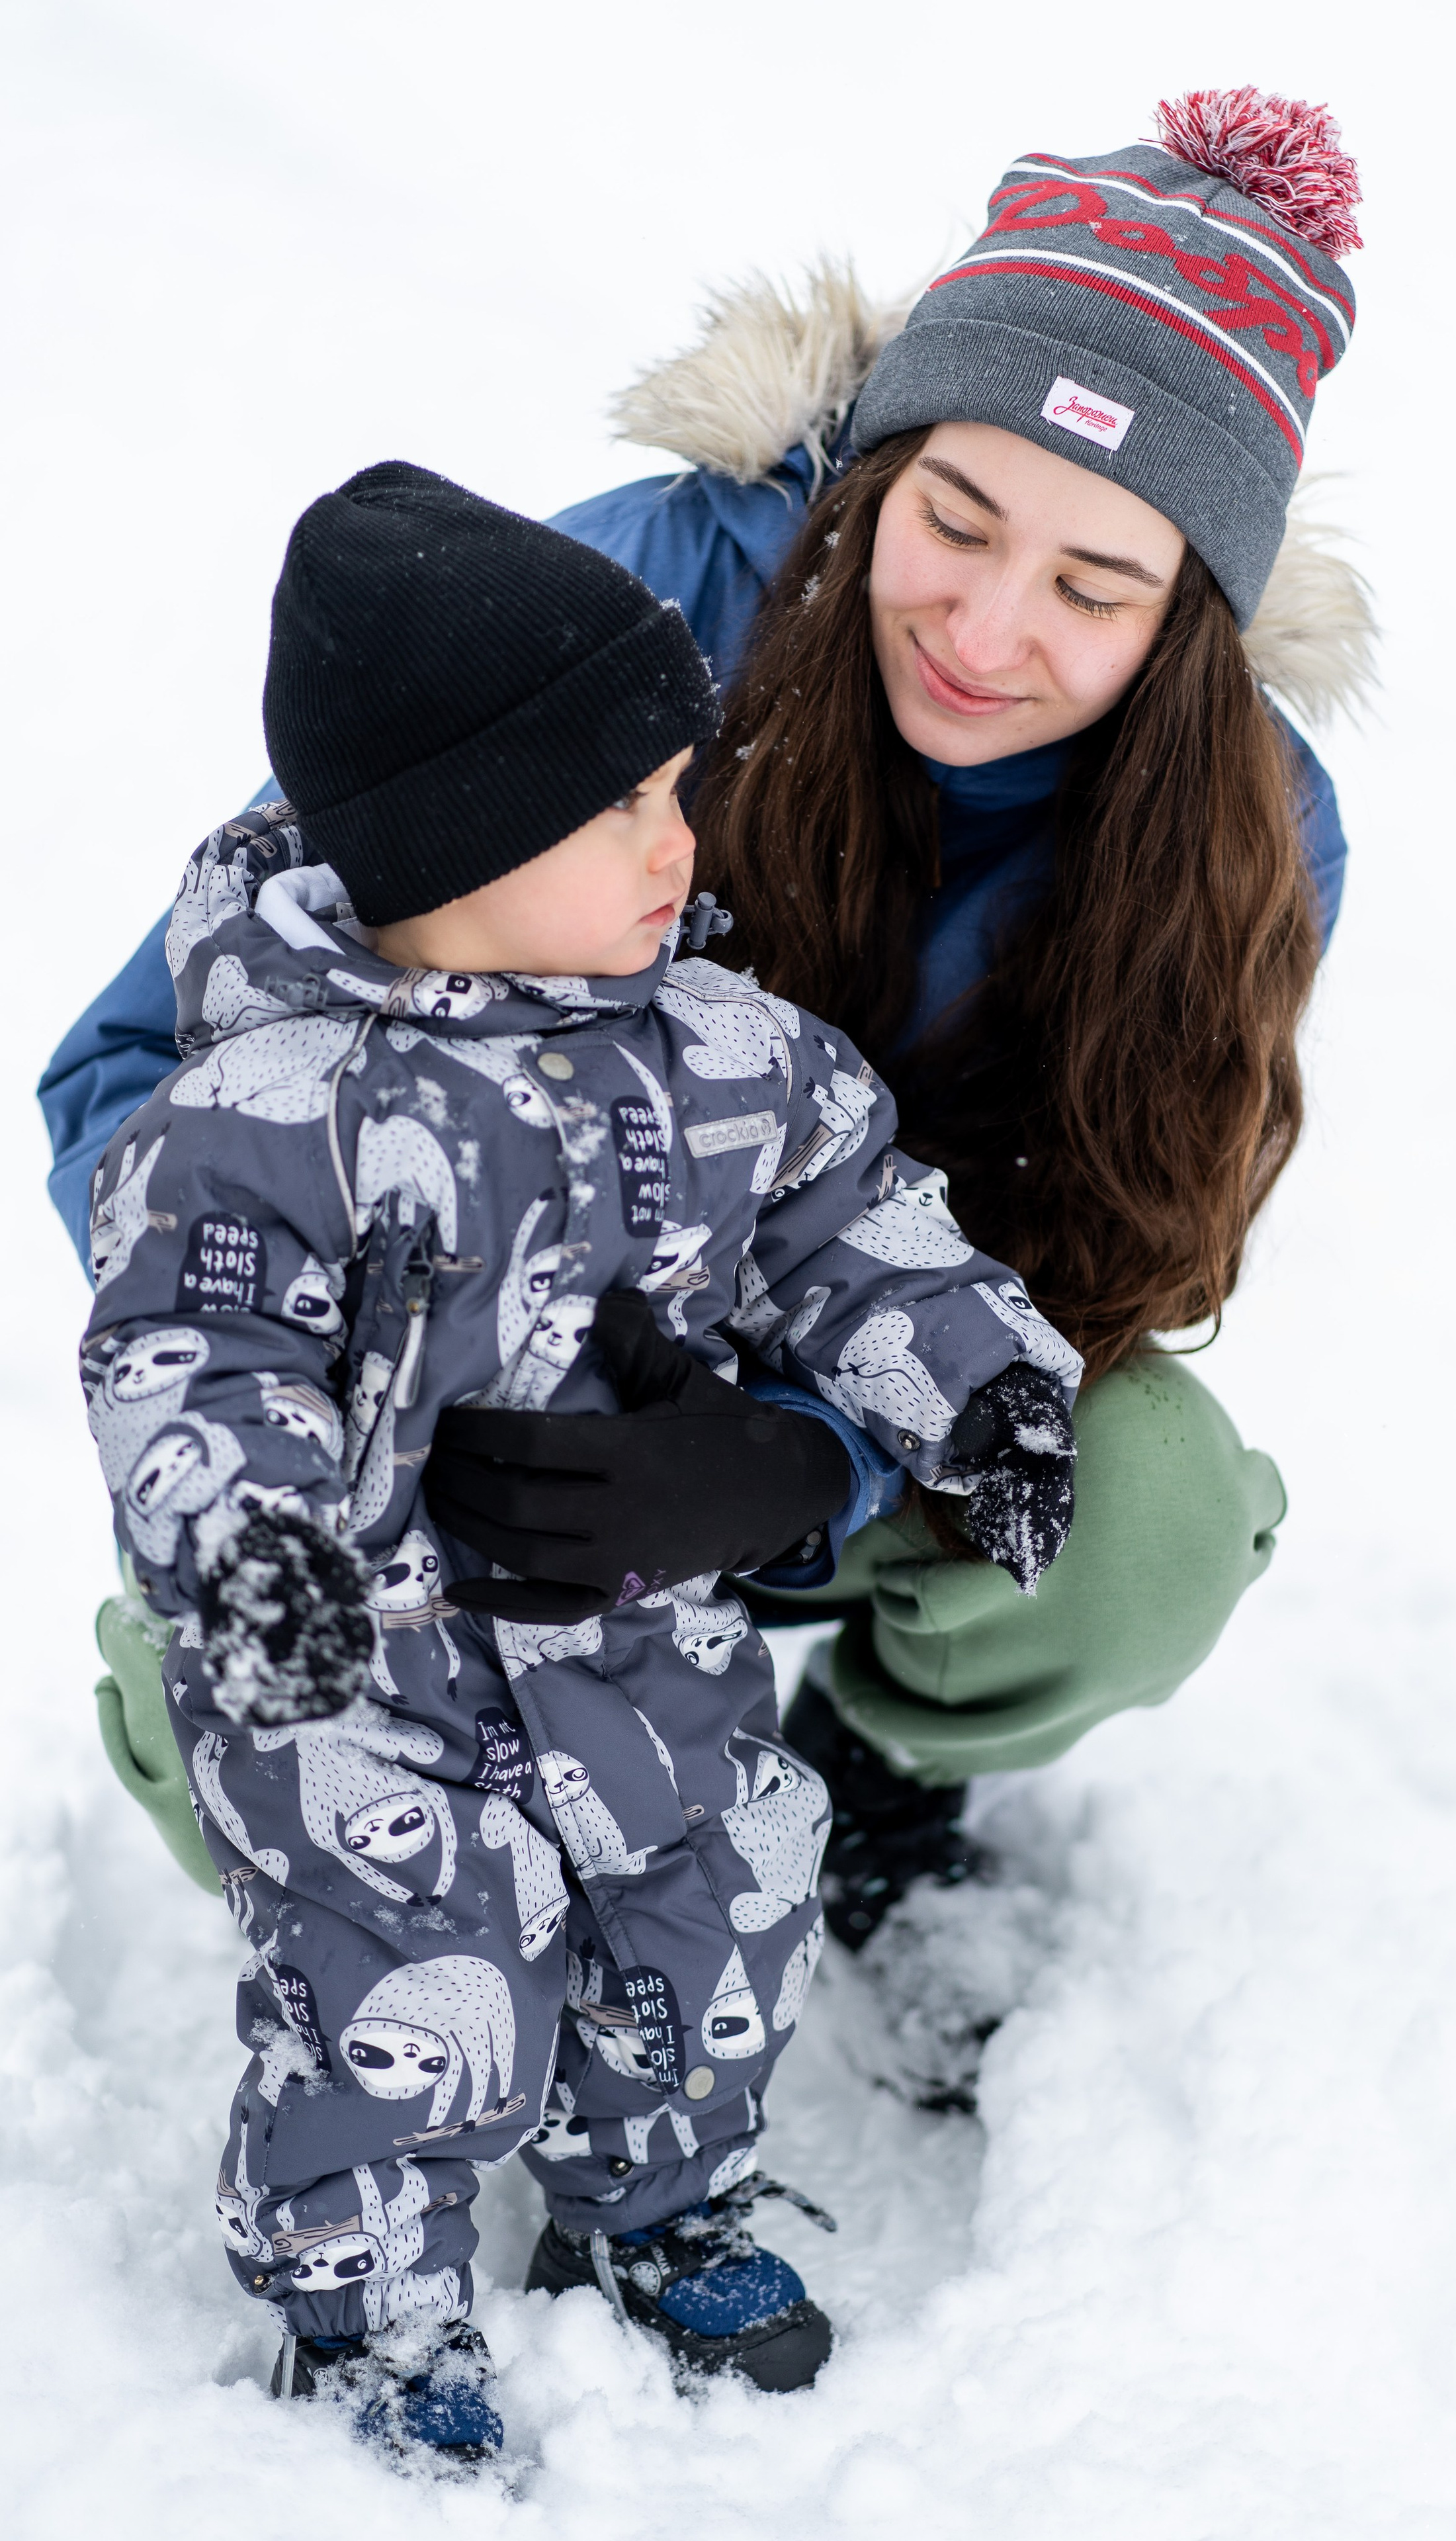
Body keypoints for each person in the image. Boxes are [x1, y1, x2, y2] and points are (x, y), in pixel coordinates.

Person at [43, 89, 1373, 1949]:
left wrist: (792, 1467)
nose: (986, 632)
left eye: (1092, 587)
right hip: (450, 1384)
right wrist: (329, 1363)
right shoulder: (637, 597)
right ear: (878, 467)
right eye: (957, 522)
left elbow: (1093, 1262)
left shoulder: (1249, 833)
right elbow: (133, 1065)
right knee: (245, 1724)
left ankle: (878, 1775)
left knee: (1138, 1512)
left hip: (810, 1414)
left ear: (1191, 622)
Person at [79, 461, 1083, 2448]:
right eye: (622, 805)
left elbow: (857, 1228)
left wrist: (979, 1393)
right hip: (360, 1672)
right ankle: (366, 2302)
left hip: (637, 1634)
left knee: (723, 1888)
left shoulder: (723, 1055)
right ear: (459, 840)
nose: (680, 839)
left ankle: (661, 2195)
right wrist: (260, 1561)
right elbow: (186, 1353)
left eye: (671, 788)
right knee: (404, 1980)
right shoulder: (268, 1109)